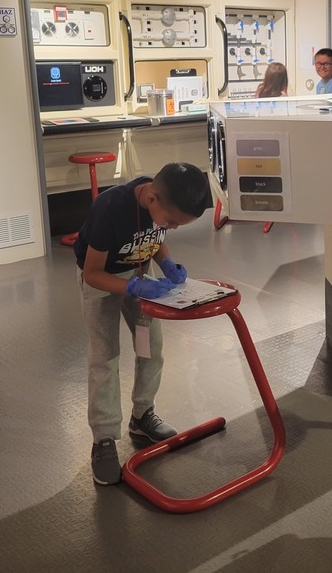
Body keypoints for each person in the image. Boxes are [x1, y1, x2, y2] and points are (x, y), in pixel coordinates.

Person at [74, 161, 213, 486]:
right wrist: (132, 286)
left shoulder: (159, 202)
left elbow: (153, 235)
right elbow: (92, 273)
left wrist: (164, 262)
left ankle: (142, 415)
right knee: (104, 357)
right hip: (102, 283)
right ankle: (104, 439)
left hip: (140, 275)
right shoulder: (109, 208)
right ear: (151, 199)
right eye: (173, 221)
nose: (173, 228)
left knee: (149, 348)